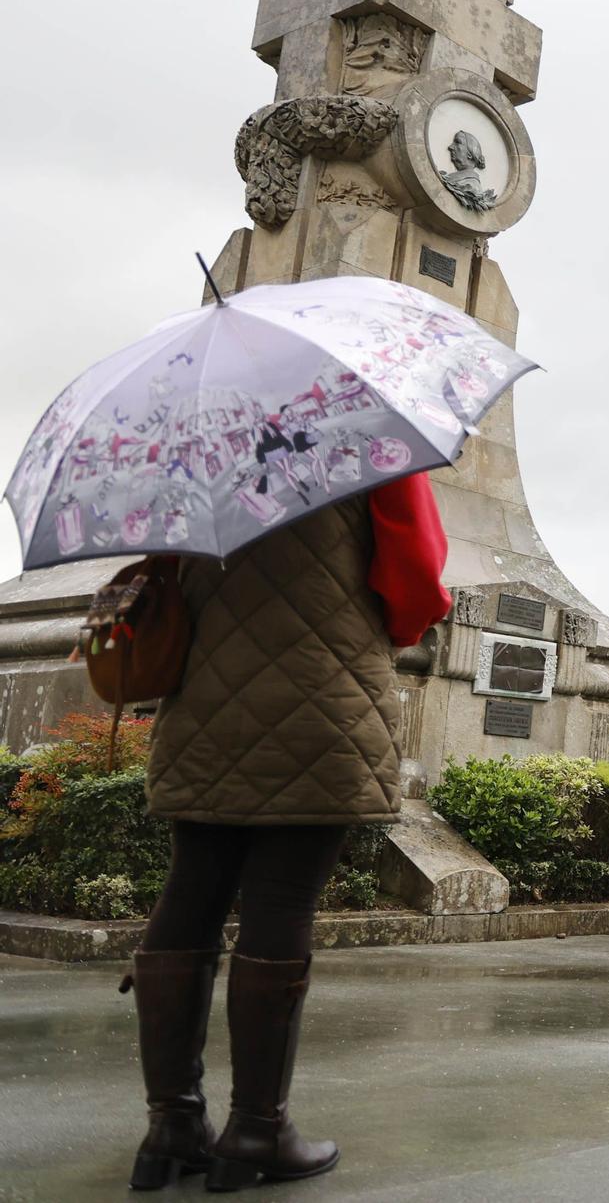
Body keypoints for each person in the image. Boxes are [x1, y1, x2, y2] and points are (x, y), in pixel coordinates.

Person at [127, 474, 451, 1191]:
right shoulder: (371, 444)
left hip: (207, 704)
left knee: (192, 891)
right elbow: (418, 585)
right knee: (280, 904)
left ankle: (172, 1124)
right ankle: (257, 1129)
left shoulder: (200, 451)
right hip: (322, 702)